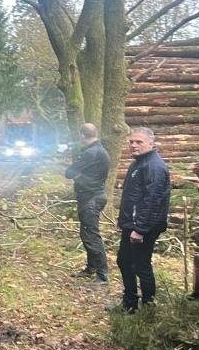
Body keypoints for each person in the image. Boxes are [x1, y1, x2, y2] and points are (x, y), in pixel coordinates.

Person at [116, 127, 171, 312]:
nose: (133, 145)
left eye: (138, 142)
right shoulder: (139, 163)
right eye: (131, 141)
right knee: (124, 261)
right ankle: (130, 303)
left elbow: (152, 201)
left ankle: (148, 306)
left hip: (144, 226)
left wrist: (140, 229)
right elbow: (132, 197)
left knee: (141, 265)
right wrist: (123, 223)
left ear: (151, 143)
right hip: (132, 224)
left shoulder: (154, 166)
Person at [64, 123, 111, 283]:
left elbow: (69, 172)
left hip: (91, 198)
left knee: (91, 235)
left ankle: (102, 275)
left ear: (82, 135)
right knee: (87, 234)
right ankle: (91, 269)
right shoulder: (99, 151)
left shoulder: (91, 153)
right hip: (93, 196)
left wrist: (78, 177)